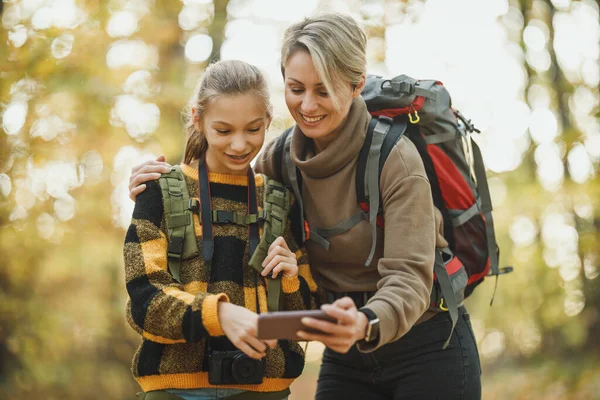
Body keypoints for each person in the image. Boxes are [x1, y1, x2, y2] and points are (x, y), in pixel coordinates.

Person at [130, 14, 482, 400]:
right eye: (296, 88)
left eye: (324, 90)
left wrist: (364, 322)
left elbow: (410, 278)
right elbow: (219, 186)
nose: (307, 105)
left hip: (426, 341)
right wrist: (157, 186)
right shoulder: (279, 161)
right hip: (343, 346)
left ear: (355, 85)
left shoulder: (395, 160)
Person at [123, 59, 318, 400]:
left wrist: (290, 280)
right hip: (173, 390)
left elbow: (306, 317)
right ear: (197, 119)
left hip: (264, 390)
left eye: (254, 129)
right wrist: (218, 314)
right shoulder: (158, 192)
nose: (240, 145)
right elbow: (145, 302)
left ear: (268, 121)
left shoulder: (280, 200)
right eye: (224, 131)